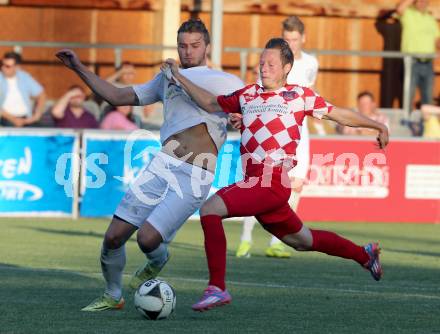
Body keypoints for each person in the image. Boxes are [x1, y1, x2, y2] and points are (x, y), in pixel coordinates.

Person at [162, 37, 389, 312]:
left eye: (271, 64)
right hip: (257, 183)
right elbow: (210, 103)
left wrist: (376, 125)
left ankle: (217, 287)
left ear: (287, 67)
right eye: (261, 63)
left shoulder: (300, 96)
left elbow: (339, 114)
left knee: (210, 210)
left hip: (272, 181)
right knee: (303, 241)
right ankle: (363, 255)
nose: (264, 68)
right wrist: (177, 76)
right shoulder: (247, 96)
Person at [56, 18, 243, 312]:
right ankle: (113, 294)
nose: (188, 51)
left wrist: (181, 78)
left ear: (207, 46)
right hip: (162, 164)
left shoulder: (227, 82)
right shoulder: (165, 78)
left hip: (195, 174)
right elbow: (117, 96)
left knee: (147, 239)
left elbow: (227, 108)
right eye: (182, 46)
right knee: (113, 236)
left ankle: (158, 259)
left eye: (195, 45)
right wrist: (78, 68)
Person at [236, 16, 314, 259]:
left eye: (294, 39)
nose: (289, 43)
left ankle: (276, 242)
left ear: (303, 38)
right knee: (258, 183)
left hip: (300, 129)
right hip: (272, 127)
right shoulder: (272, 61)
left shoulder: (312, 63)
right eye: (286, 38)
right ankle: (246, 239)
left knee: (296, 184)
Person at [397, 0, 440, 105]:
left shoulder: (430, 19)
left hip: (428, 62)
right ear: (414, 3)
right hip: (412, 62)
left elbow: (437, 39)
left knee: (428, 96)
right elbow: (399, 9)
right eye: (419, 1)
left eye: (424, 1)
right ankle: (407, 120)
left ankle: (428, 121)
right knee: (409, 95)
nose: (422, 3)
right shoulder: (408, 14)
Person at [0, 51, 46, 127]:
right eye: (2, 64)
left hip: (27, 118)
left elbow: (41, 94)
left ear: (17, 67)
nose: (3, 68)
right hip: (6, 120)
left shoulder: (24, 77)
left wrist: (36, 116)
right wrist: (13, 119)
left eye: (7, 66)